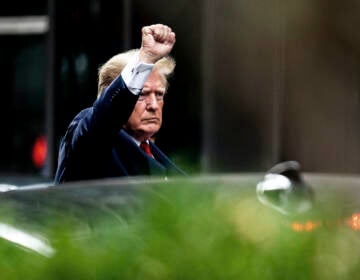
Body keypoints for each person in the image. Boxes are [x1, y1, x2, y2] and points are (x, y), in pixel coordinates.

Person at [54, 24, 186, 183]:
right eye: (142, 94)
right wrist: (145, 60)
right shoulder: (93, 135)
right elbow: (103, 119)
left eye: (159, 94)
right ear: (110, 95)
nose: (154, 105)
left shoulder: (157, 158)